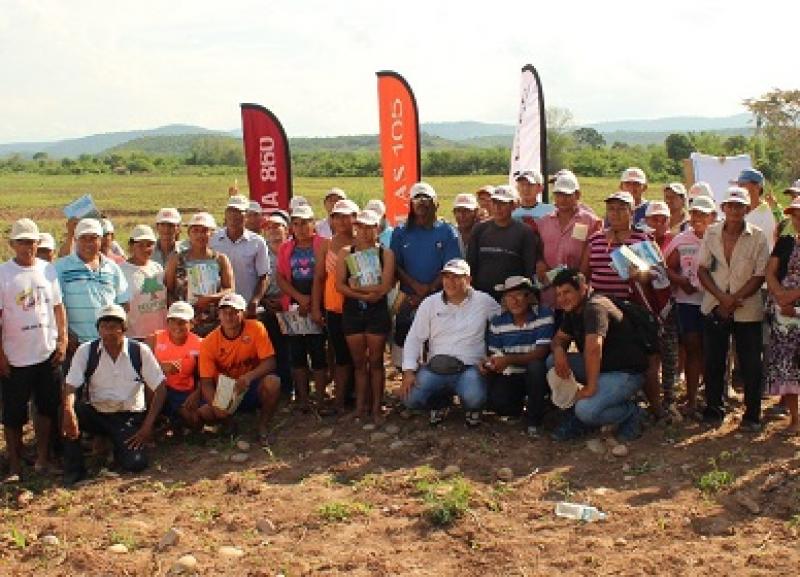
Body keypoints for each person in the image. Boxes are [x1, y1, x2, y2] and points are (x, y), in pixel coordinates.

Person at [61, 304, 167, 485]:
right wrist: (68, 410)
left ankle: (114, 447)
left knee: (136, 464)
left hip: (128, 417)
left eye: (113, 327)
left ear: (123, 329)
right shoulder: (86, 351)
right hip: (97, 413)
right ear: (98, 330)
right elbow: (71, 385)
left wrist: (147, 426)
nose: (108, 332)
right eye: (104, 327)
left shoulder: (139, 351)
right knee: (67, 411)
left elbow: (161, 387)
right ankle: (74, 469)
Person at [0, 219, 67, 481]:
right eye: (22, 242)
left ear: (38, 243)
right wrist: (1, 355)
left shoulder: (47, 270)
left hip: (45, 352)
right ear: (12, 245)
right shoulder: (3, 274)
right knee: (13, 414)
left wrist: (61, 340)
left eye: (31, 242)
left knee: (46, 408)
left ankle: (42, 459)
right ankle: (15, 465)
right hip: (15, 357)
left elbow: (58, 308)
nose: (27, 247)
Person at [697, 186, 769, 430]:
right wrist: (721, 298)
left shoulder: (758, 236)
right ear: (723, 208)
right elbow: (702, 269)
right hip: (715, 305)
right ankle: (713, 410)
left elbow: (760, 275)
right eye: (731, 205)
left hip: (747, 307)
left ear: (747, 209)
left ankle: (752, 415)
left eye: (740, 206)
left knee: (751, 363)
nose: (735, 210)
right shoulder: (711, 233)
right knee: (714, 360)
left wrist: (734, 298)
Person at [549, 269, 648, 442]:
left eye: (567, 292)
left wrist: (590, 387)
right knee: (551, 361)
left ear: (582, 289)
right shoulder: (573, 309)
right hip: (602, 368)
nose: (562, 298)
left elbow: (593, 349)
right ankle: (576, 411)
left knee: (586, 410)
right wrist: (558, 351)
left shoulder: (595, 307)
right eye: (558, 294)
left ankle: (632, 411)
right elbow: (559, 339)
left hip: (625, 372)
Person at [400, 259, 501, 426]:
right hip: (436, 368)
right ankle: (440, 402)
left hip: (470, 368)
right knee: (410, 399)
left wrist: (493, 357)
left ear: (468, 280)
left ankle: (472, 408)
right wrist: (409, 371)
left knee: (474, 398)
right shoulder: (430, 303)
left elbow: (505, 323)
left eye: (456, 277)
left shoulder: (484, 302)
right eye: (446, 277)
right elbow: (414, 338)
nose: (450, 282)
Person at [390, 182, 461, 366]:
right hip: (408, 297)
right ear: (411, 204)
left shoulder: (447, 231)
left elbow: (451, 266)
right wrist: (415, 287)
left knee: (437, 345)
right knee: (403, 344)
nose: (421, 203)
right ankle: (409, 386)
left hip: (439, 296)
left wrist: (428, 290)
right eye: (417, 199)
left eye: (426, 199)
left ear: (435, 203)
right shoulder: (400, 232)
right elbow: (395, 265)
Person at [335, 209, 396, 422]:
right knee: (359, 363)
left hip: (376, 311)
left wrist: (358, 288)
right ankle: (360, 408)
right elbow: (340, 285)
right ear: (355, 228)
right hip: (353, 311)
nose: (366, 232)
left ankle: (377, 408)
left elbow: (385, 286)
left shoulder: (385, 254)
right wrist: (366, 292)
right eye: (361, 227)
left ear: (377, 229)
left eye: (371, 227)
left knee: (377, 361)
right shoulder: (345, 252)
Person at [196, 293, 280, 441]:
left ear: (243, 313)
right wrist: (216, 405)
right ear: (219, 315)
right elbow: (206, 382)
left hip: (251, 385)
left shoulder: (256, 328)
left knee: (273, 382)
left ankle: (263, 426)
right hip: (225, 389)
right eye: (224, 312)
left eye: (234, 312)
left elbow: (270, 362)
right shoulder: (208, 342)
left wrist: (249, 377)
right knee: (205, 412)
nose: (229, 317)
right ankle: (228, 424)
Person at [664, 195, 717, 415]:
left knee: (713, 350)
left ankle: (713, 398)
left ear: (712, 216)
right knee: (693, 347)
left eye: (703, 214)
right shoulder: (681, 240)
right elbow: (667, 267)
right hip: (688, 302)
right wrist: (680, 281)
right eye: (694, 213)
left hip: (713, 300)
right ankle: (693, 398)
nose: (698, 218)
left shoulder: (719, 239)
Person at [480, 276, 554, 433]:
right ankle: (515, 408)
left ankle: (535, 419)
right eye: (509, 296)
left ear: (529, 296)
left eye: (519, 295)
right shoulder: (497, 322)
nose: (514, 301)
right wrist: (489, 364)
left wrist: (507, 359)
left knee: (536, 367)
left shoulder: (544, 315)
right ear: (504, 300)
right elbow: (496, 355)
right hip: (512, 375)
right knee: (499, 402)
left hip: (538, 377)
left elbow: (540, 353)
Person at [275, 204, 328, 410]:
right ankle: (304, 399)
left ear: (313, 224)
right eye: (296, 224)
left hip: (319, 306)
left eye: (305, 223)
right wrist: (299, 298)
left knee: (318, 352)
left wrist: (313, 303)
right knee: (296, 353)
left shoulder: (323, 244)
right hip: (294, 307)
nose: (301, 228)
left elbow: (323, 277)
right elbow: (280, 277)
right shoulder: (286, 248)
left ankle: (321, 398)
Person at [54, 218, 129, 353]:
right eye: (83, 238)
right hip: (75, 345)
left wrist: (116, 333)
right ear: (76, 240)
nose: (88, 243)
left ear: (100, 240)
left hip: (107, 345)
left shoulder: (112, 268)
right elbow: (55, 305)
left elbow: (123, 304)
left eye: (93, 238)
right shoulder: (61, 267)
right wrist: (65, 335)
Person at [312, 198, 359, 410]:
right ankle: (340, 400)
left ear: (355, 218)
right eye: (336, 216)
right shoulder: (326, 245)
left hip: (359, 307)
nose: (340, 220)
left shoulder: (363, 243)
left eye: (345, 216)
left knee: (359, 355)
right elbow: (319, 278)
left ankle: (359, 396)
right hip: (334, 307)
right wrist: (315, 306)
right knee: (340, 354)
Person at [535, 171, 601, 308]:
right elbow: (538, 249)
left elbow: (590, 253)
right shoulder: (543, 222)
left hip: (576, 290)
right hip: (550, 289)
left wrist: (578, 281)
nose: (562, 199)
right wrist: (540, 262)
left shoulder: (591, 221)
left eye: (567, 195)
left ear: (577, 195)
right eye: (558, 195)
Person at [467, 185, 542, 301]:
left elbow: (529, 268)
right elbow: (471, 264)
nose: (498, 208)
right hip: (481, 297)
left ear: (514, 205)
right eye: (495, 203)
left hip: (513, 299)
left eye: (503, 203)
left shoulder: (525, 232)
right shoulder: (479, 229)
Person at [165, 212, 234, 337]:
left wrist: (210, 298)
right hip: (184, 324)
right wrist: (180, 313)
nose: (200, 235)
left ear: (211, 233)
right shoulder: (176, 259)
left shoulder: (221, 259)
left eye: (204, 231)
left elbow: (230, 289)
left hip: (214, 322)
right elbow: (168, 290)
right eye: (195, 231)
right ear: (189, 233)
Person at [764, 196, 800, 435]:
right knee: (786, 365)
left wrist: (792, 297)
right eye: (795, 214)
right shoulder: (786, 242)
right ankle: (795, 419)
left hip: (793, 306)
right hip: (783, 313)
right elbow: (770, 270)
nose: (798, 219)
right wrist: (779, 295)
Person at [580, 191, 650, 301]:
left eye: (621, 209)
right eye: (611, 209)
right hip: (596, 304)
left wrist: (638, 274)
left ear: (632, 212)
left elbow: (653, 277)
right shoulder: (595, 239)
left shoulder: (641, 240)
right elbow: (584, 274)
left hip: (630, 306)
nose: (615, 213)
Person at [210, 195, 270, 319]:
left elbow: (263, 276)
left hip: (246, 307)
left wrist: (255, 300)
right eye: (231, 211)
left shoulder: (257, 242)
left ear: (247, 215)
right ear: (226, 213)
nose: (234, 215)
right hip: (218, 307)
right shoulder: (213, 239)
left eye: (238, 212)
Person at [147, 301, 203, 429]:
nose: (177, 325)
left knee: (194, 420)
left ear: (192, 324)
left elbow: (205, 375)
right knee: (151, 385)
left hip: (184, 392)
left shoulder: (200, 344)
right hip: (159, 390)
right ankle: (151, 422)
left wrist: (197, 393)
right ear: (167, 322)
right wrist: (160, 367)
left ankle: (171, 419)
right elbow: (138, 366)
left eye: (182, 321)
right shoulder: (154, 339)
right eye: (173, 321)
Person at [260, 210, 292, 394]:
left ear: (286, 230)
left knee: (293, 349)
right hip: (267, 306)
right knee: (273, 348)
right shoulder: (260, 250)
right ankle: (278, 388)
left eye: (276, 226)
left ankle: (293, 387)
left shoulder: (293, 249)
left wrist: (285, 300)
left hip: (292, 305)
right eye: (268, 227)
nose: (272, 230)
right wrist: (264, 300)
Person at [120, 225, 168, 340]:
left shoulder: (157, 268)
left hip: (161, 334)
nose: (145, 249)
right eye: (140, 245)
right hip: (135, 336)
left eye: (149, 245)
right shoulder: (121, 270)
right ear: (131, 246)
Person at [738, 168, 777, 250]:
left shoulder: (771, 210)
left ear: (757, 187)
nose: (739, 188)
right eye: (739, 184)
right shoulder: (737, 212)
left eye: (743, 184)